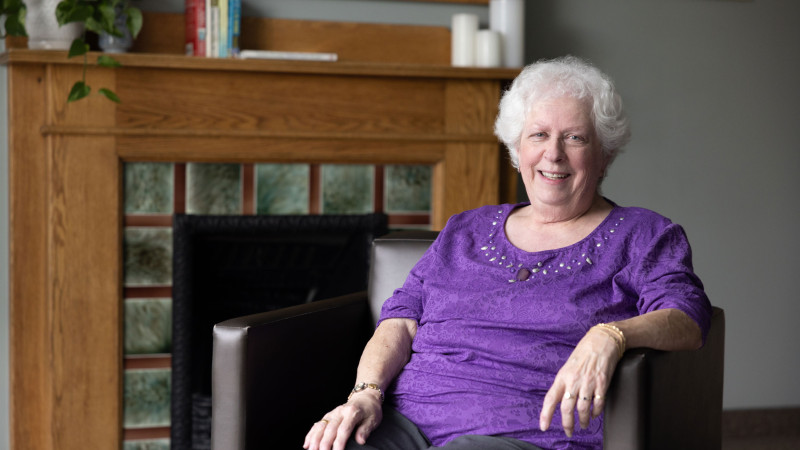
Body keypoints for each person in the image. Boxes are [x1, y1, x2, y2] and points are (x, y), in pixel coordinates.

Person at [303, 55, 712, 450]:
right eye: (539, 135)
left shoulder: (642, 234)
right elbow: (402, 320)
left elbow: (688, 318)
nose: (554, 154)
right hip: (404, 423)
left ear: (604, 154)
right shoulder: (466, 229)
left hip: (524, 435)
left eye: (575, 137)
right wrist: (365, 394)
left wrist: (611, 334)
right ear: (518, 150)